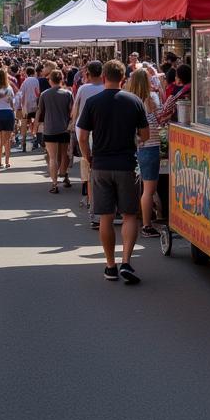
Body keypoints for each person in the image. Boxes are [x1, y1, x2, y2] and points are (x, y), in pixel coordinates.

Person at [76, 60, 146, 284]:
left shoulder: (93, 102)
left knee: (105, 217)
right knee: (129, 215)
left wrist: (88, 156)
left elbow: (82, 136)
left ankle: (110, 265)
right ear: (123, 78)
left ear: (104, 77)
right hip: (126, 163)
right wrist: (133, 139)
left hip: (101, 164)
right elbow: (145, 135)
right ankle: (126, 260)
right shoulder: (134, 101)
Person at [126, 68, 162, 238]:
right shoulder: (149, 99)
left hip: (138, 147)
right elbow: (159, 118)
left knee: (143, 188)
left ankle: (144, 219)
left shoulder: (130, 102)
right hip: (150, 146)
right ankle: (147, 225)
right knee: (149, 189)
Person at [72, 60, 105, 229]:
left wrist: (72, 126)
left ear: (88, 74)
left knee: (88, 168)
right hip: (101, 130)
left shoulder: (84, 89)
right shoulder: (107, 88)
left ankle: (92, 205)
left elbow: (75, 110)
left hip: (83, 130)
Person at [37, 69, 73, 194]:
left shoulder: (44, 94)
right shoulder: (68, 94)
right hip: (64, 128)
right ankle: (65, 174)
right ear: (61, 79)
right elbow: (71, 111)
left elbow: (39, 111)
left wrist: (35, 127)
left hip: (50, 128)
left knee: (52, 158)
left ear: (50, 80)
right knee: (64, 155)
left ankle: (54, 183)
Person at [0, 68, 16, 169]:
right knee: (7, 140)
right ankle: (7, 161)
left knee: (1, 139)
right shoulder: (9, 88)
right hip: (8, 112)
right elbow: (12, 103)